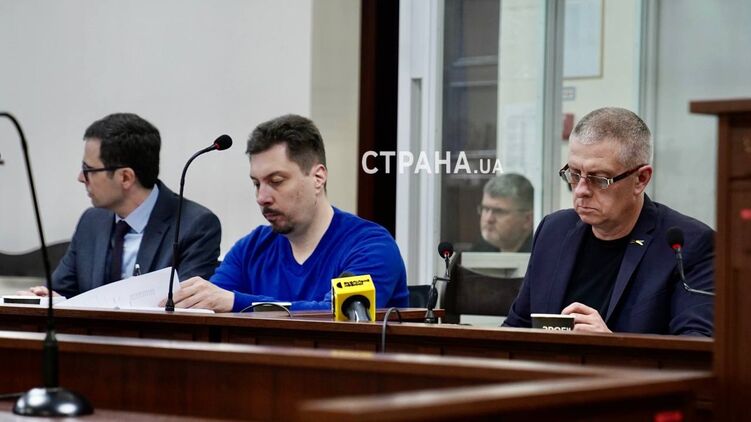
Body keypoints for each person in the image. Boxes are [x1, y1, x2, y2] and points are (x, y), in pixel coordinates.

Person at [165, 114, 409, 313]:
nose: (262, 197)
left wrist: (237, 302)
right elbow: (212, 303)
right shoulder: (250, 250)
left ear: (318, 178)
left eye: (276, 181)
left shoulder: (371, 246)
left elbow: (338, 313)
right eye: (256, 184)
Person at [503, 107, 714, 336]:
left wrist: (611, 345)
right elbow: (517, 327)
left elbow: (696, 343)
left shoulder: (687, 245)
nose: (581, 190)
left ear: (640, 179)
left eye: (599, 179)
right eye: (574, 174)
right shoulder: (554, 230)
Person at [26, 113, 221, 298]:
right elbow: (61, 291)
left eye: (88, 170)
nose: (80, 178)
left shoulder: (195, 226)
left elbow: (185, 305)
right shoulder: (91, 221)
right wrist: (47, 298)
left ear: (125, 177)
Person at [474, 173, 534, 252]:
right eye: (485, 209)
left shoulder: (541, 252)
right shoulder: (480, 250)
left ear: (527, 220)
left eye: (499, 212)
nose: (488, 219)